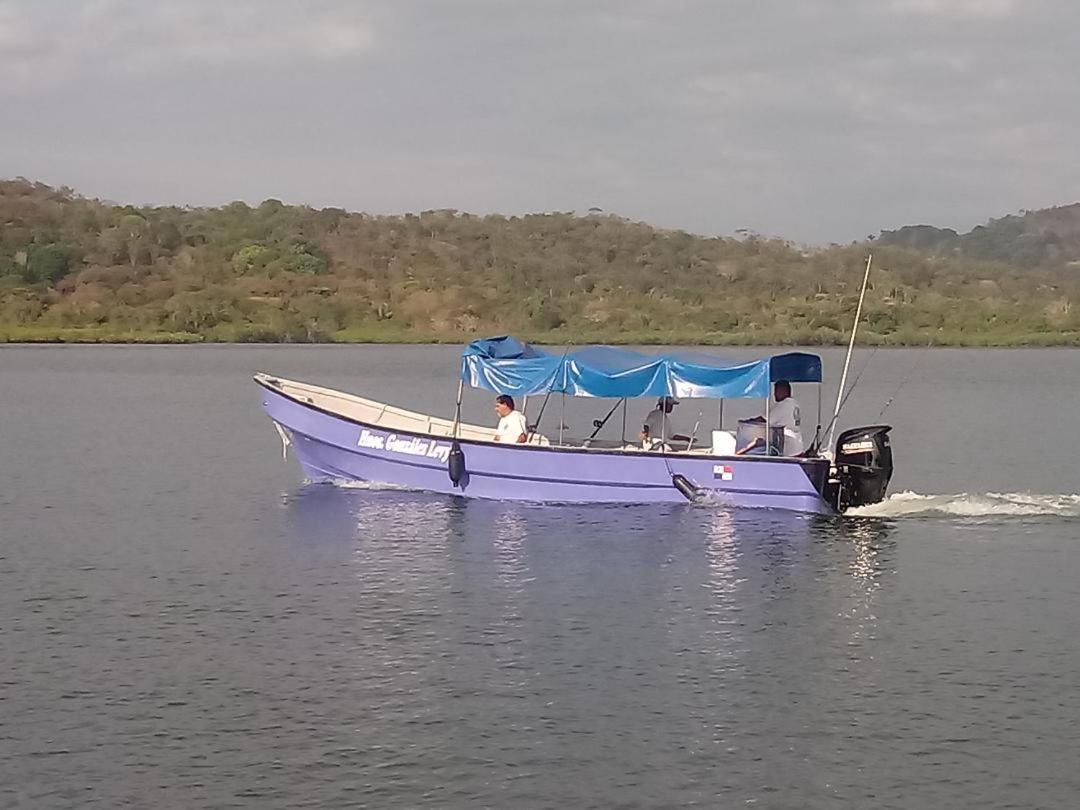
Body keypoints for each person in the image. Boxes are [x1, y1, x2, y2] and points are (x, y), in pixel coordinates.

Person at [735, 381, 804, 456]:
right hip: (797, 444)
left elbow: (765, 420)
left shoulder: (783, 405)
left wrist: (747, 422)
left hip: (789, 447)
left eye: (776, 391)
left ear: (783, 390)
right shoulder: (794, 403)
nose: (774, 395)